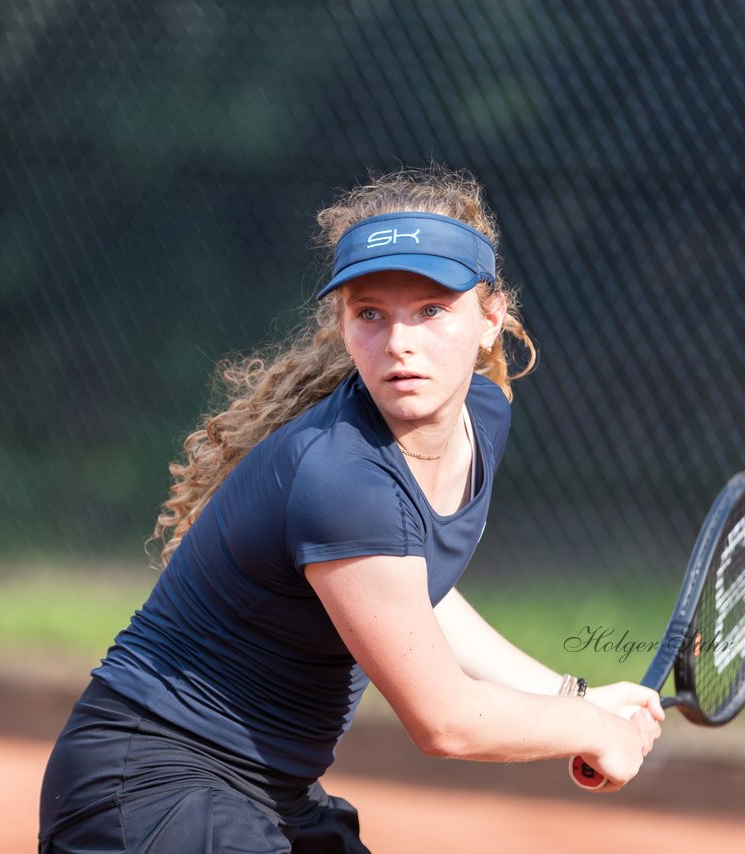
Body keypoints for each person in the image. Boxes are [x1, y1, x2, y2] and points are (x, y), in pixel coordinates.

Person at [38, 166, 664, 853]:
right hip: (150, 789)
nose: (400, 342)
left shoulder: (483, 416)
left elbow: (411, 592)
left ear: (490, 318)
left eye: (432, 310)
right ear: (343, 323)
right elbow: (445, 721)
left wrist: (572, 697)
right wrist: (593, 730)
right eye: (371, 313)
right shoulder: (342, 478)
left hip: (267, 792)